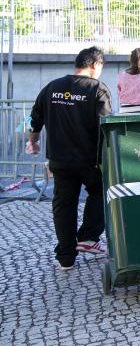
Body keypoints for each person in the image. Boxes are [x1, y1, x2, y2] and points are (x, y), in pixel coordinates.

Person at [25, 46, 113, 270]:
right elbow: (106, 124)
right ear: (95, 65)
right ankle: (88, 237)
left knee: (64, 204)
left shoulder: (52, 87)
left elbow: (35, 119)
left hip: (59, 160)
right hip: (90, 159)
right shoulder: (97, 89)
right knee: (101, 191)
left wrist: (33, 141)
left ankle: (65, 258)